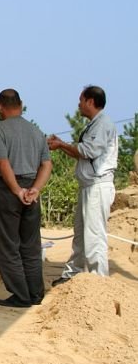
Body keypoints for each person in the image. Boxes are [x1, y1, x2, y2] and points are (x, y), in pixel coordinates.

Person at [0, 89, 52, 308]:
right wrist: (35, 189)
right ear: (21, 104)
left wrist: (16, 190)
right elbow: (47, 164)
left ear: (0, 107)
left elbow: (2, 162)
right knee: (31, 245)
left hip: (9, 190)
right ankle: (36, 293)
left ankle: (20, 295)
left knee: (8, 245)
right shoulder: (36, 131)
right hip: (32, 190)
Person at [47, 85, 118, 284]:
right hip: (88, 186)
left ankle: (97, 280)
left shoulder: (103, 124)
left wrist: (62, 145)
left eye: (81, 100)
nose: (78, 105)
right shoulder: (93, 125)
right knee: (80, 234)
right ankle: (73, 274)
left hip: (98, 185)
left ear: (90, 101)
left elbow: (88, 151)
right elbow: (81, 154)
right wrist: (61, 145)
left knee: (94, 234)